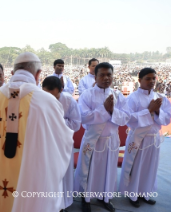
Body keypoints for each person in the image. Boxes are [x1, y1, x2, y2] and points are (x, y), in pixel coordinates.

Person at [0, 52, 74, 212]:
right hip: (32, 179)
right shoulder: (46, 101)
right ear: (38, 74)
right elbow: (62, 143)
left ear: (12, 73)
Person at [74, 62, 130, 212]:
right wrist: (104, 109)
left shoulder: (118, 95)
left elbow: (125, 117)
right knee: (89, 169)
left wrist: (112, 112)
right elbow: (83, 117)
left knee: (108, 169)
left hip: (111, 140)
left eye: (109, 75)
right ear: (96, 76)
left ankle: (105, 197)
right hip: (93, 140)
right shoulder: (87, 94)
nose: (106, 78)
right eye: (102, 75)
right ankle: (86, 198)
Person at [119, 68, 171, 208]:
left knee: (150, 167)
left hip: (153, 139)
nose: (152, 81)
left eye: (153, 78)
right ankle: (133, 194)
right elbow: (128, 118)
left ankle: (145, 193)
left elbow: (167, 119)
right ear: (139, 80)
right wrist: (148, 110)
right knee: (136, 167)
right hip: (138, 139)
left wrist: (158, 110)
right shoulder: (132, 98)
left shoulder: (160, 98)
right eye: (148, 78)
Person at [42, 76, 81, 211]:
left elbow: (76, 123)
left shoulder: (69, 101)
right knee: (49, 174)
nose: (50, 100)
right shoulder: (41, 100)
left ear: (61, 90)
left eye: (54, 96)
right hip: (46, 144)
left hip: (63, 144)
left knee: (63, 174)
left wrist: (57, 123)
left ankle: (63, 203)